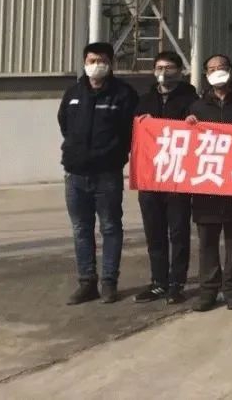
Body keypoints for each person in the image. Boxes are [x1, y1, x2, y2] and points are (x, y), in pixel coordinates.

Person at [58, 42, 138, 305]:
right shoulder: (73, 93)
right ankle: (87, 282)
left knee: (110, 227)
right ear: (84, 63)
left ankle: (109, 282)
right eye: (92, 61)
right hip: (75, 175)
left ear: (110, 63)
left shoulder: (123, 94)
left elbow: (130, 132)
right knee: (81, 229)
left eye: (102, 60)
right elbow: (65, 124)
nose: (96, 65)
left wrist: (112, 154)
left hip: (107, 175)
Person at [186, 54, 232, 312]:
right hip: (206, 182)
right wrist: (188, 126)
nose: (217, 71)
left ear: (231, 70)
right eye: (212, 68)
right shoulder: (197, 106)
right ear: (205, 74)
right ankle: (208, 290)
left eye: (221, 67)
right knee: (207, 242)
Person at [133, 51, 198, 305]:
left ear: (180, 71)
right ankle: (158, 282)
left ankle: (176, 283)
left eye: (169, 68)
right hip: (150, 177)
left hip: (177, 177)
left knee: (178, 232)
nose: (164, 72)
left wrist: (191, 123)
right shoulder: (144, 100)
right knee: (154, 232)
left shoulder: (191, 100)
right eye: (159, 67)